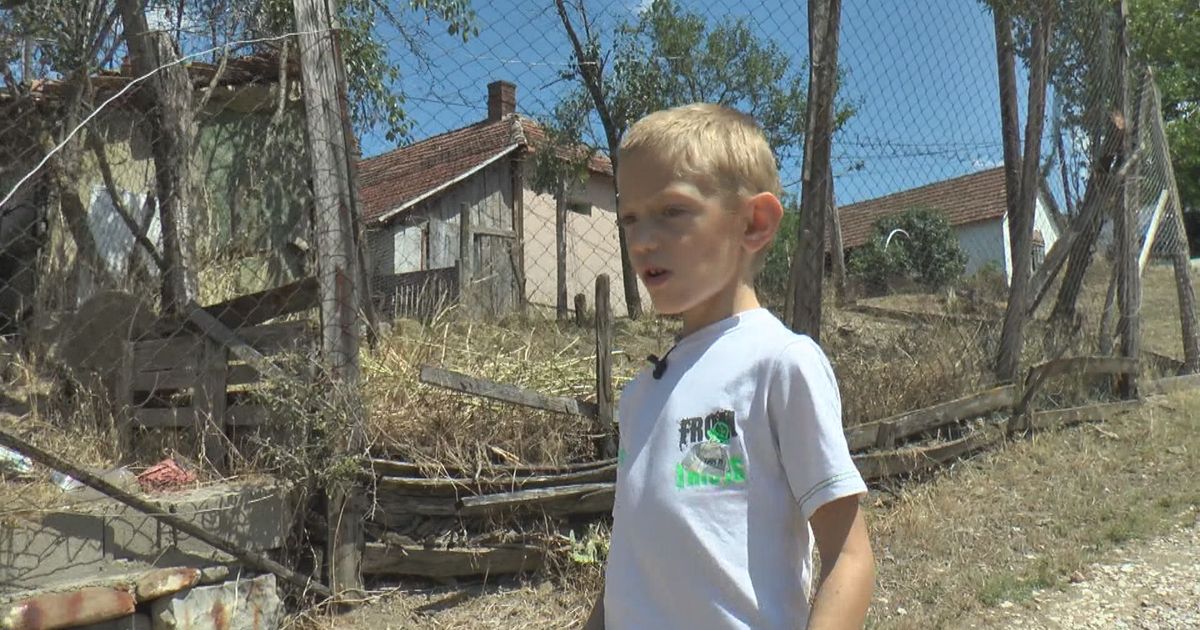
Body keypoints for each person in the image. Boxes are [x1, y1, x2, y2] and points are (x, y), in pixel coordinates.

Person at [583, 103, 874, 630]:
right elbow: (631, 561)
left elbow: (849, 558)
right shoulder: (640, 395)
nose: (642, 239)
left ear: (754, 223)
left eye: (672, 210)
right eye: (630, 218)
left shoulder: (780, 365)